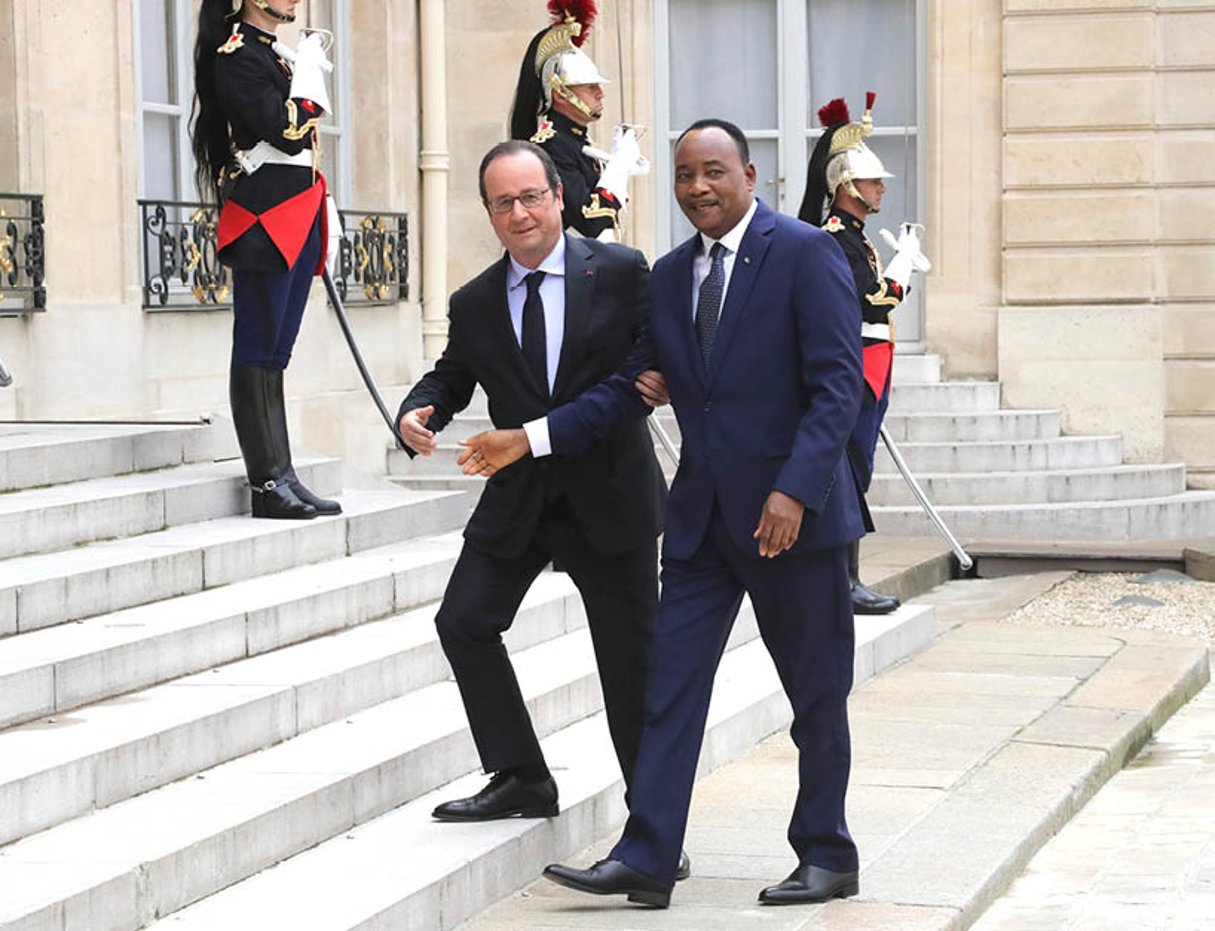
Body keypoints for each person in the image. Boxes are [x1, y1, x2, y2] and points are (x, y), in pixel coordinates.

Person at [460, 120, 867, 908]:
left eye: (713, 172)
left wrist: (793, 490)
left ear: (749, 173)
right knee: (667, 688)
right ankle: (648, 852)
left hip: (795, 522)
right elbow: (626, 387)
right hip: (700, 524)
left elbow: (836, 386)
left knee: (814, 694)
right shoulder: (671, 273)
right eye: (683, 176)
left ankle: (826, 850)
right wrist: (529, 439)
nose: (697, 188)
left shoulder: (804, 252)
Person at [395, 143, 678, 881]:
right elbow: (455, 372)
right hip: (519, 501)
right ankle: (520, 776)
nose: (518, 213)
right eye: (501, 203)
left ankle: (654, 831)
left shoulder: (621, 273)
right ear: (488, 213)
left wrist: (532, 436)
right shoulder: (474, 300)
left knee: (630, 665)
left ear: (558, 196)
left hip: (608, 497)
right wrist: (418, 406)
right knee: (463, 620)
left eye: (530, 196)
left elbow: (640, 376)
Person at [191, 0, 341, 519]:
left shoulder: (275, 55)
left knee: (277, 353)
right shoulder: (237, 56)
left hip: (297, 209)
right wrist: (306, 77)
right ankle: (266, 483)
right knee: (257, 346)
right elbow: (284, 129)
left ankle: (285, 472)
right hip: (264, 216)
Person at [798, 94, 931, 614]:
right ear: (848, 188)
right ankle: (841, 581)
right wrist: (901, 270)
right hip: (854, 365)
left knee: (856, 473)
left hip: (871, 362)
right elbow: (871, 301)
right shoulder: (837, 239)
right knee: (849, 476)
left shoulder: (852, 236)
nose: (880, 189)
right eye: (873, 183)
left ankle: (844, 578)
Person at [509, 0, 647, 242]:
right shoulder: (551, 146)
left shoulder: (574, 140)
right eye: (590, 86)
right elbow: (591, 220)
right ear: (561, 93)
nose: (600, 93)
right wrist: (618, 167)